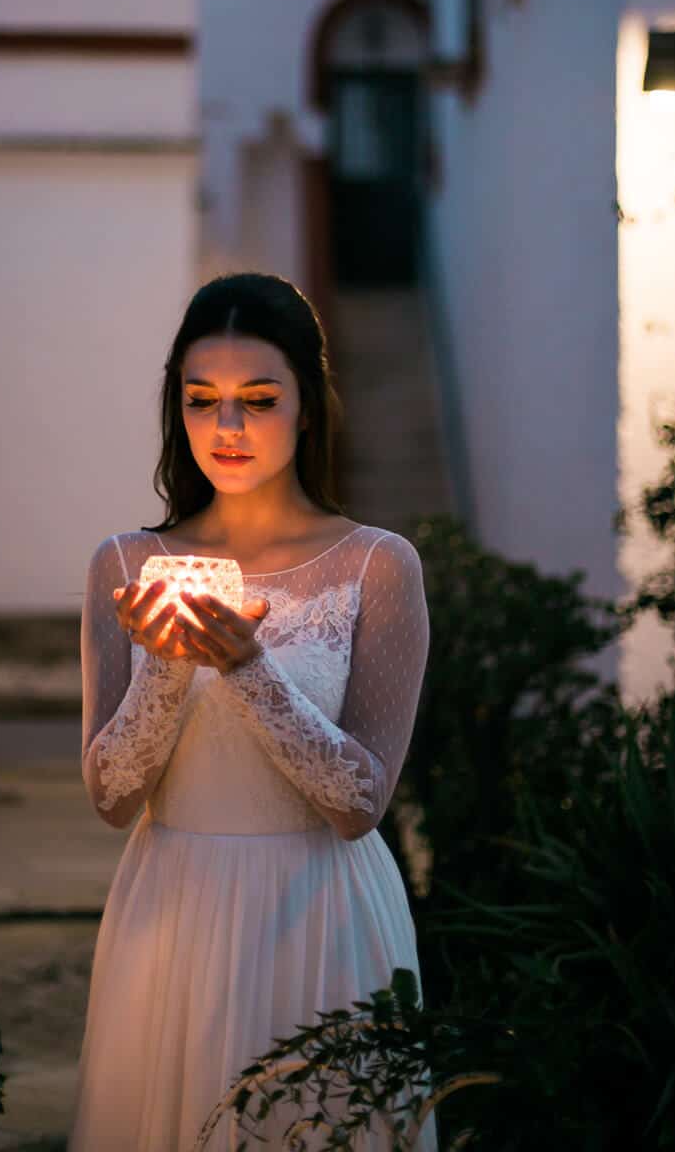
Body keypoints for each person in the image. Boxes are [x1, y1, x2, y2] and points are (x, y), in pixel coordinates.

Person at [68, 273, 436, 1151]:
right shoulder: (124, 563)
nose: (227, 428)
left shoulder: (377, 567)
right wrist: (164, 664)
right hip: (172, 910)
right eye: (202, 401)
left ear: (306, 407)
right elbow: (115, 798)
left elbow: (358, 805)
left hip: (321, 911)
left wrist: (246, 665)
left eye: (258, 400)